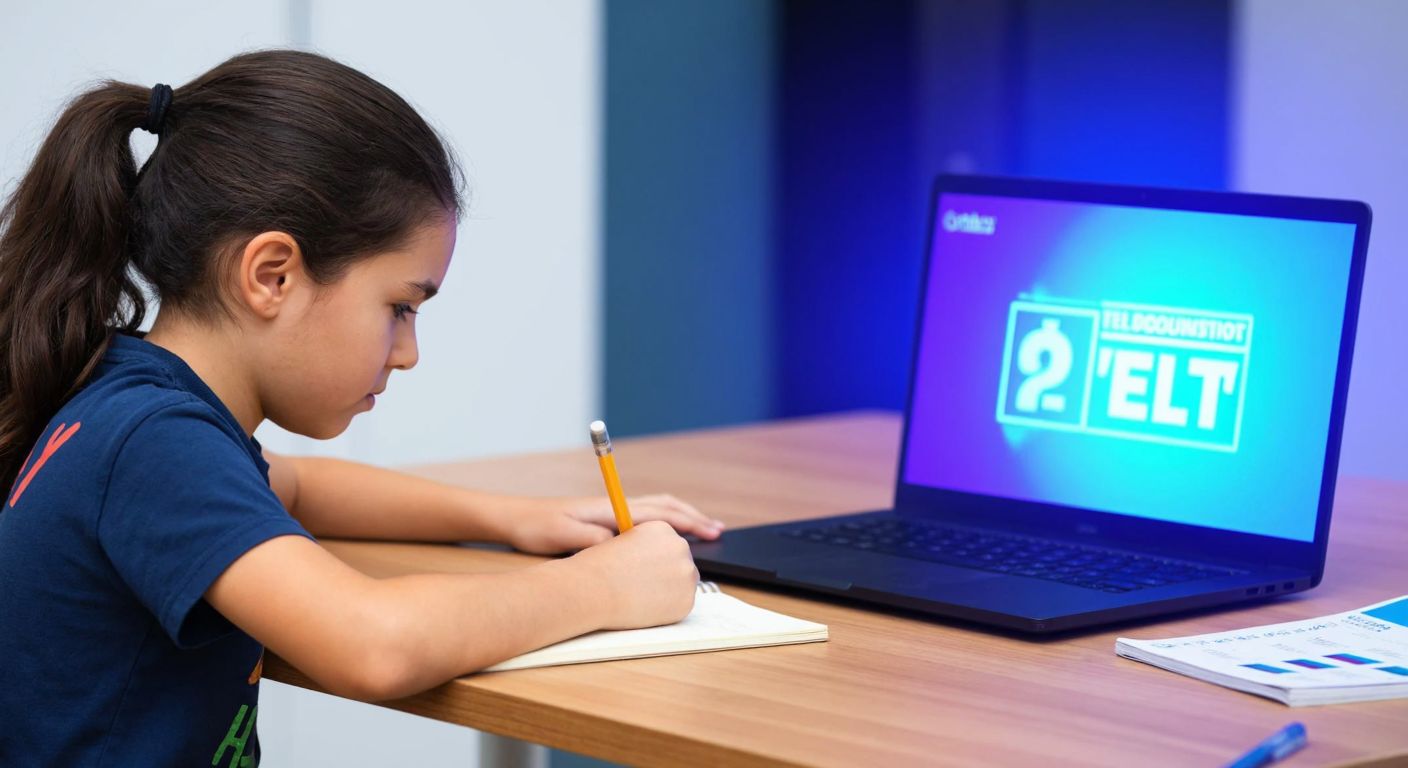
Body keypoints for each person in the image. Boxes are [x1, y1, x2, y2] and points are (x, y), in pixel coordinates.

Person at [0, 50, 720, 768]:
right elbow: (374, 645)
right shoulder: (152, 443)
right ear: (271, 276)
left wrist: (517, 519)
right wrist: (605, 585)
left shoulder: (134, 400)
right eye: (399, 307)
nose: (408, 353)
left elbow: (303, 488)